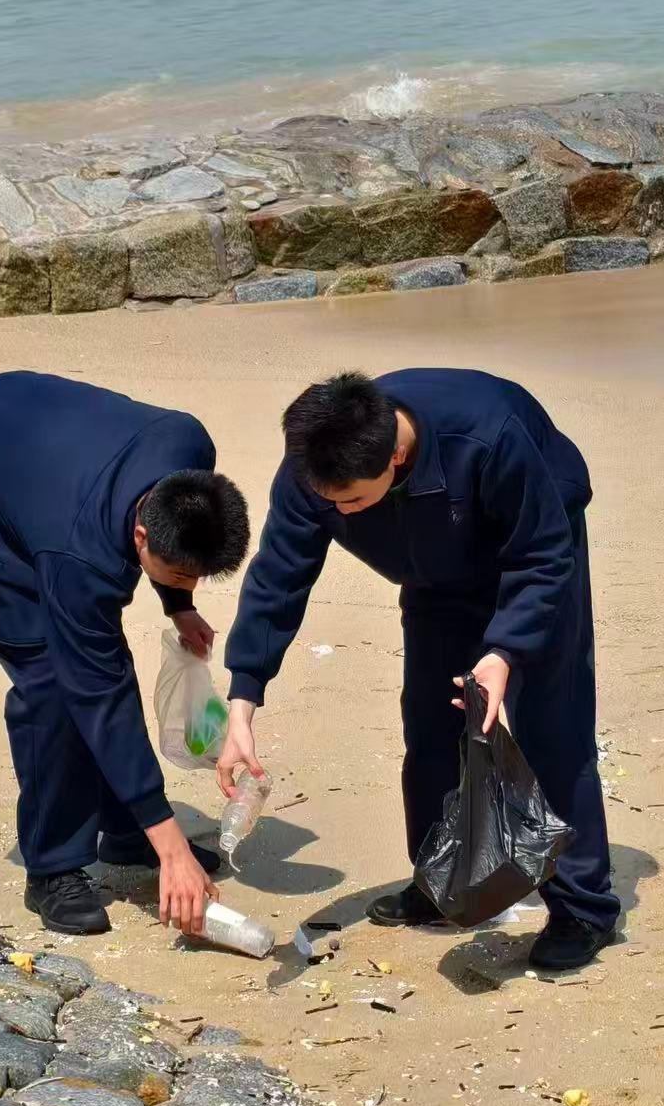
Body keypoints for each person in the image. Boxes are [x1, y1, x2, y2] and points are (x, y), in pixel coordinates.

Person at [219, 369, 619, 969]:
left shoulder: (490, 436)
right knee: (431, 725)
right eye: (328, 502)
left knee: (550, 729)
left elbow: (541, 556)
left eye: (351, 502)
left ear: (397, 457)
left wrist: (502, 652)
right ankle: (442, 881)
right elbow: (278, 577)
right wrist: (243, 701)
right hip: (432, 573)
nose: (337, 511)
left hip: (535, 549)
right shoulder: (315, 465)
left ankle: (582, 907)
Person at [0, 371, 248, 937]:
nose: (192, 584)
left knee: (97, 663)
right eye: (182, 575)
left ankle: (126, 829)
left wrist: (177, 603)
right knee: (53, 684)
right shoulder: (77, 555)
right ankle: (52, 866)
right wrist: (173, 848)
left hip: (24, 448)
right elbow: (97, 690)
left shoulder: (189, 448)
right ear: (140, 537)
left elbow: (175, 540)